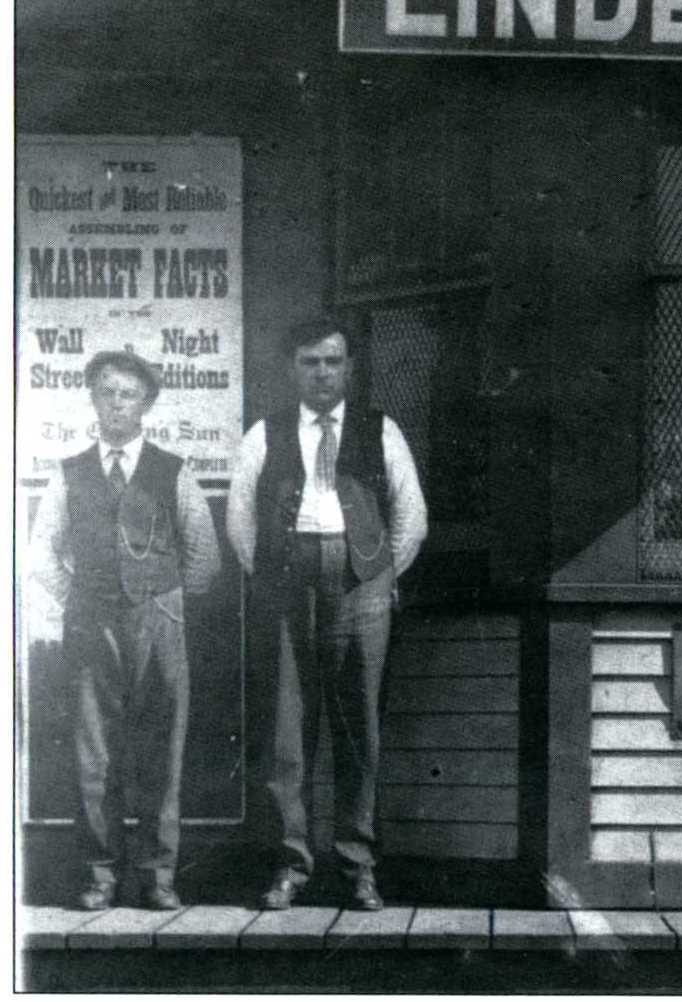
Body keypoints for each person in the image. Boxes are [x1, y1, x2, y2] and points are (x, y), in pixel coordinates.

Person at [227, 315, 427, 911]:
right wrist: (268, 579)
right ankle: (292, 864)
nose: (321, 373)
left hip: (361, 583)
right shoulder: (265, 434)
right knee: (287, 733)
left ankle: (358, 865)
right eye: (310, 362)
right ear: (293, 369)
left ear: (349, 368)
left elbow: (412, 515)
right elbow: (239, 520)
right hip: (285, 587)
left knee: (359, 728)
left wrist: (380, 576)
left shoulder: (379, 430)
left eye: (332, 362)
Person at [27, 350, 222, 910]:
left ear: (147, 404)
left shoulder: (173, 469)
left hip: (159, 622)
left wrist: (164, 601)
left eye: (129, 394)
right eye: (107, 392)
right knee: (94, 755)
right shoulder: (68, 473)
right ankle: (100, 876)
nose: (117, 403)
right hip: (91, 626)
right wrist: (79, 602)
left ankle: (159, 876)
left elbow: (204, 555)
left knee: (163, 750)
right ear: (93, 399)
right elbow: (41, 554)